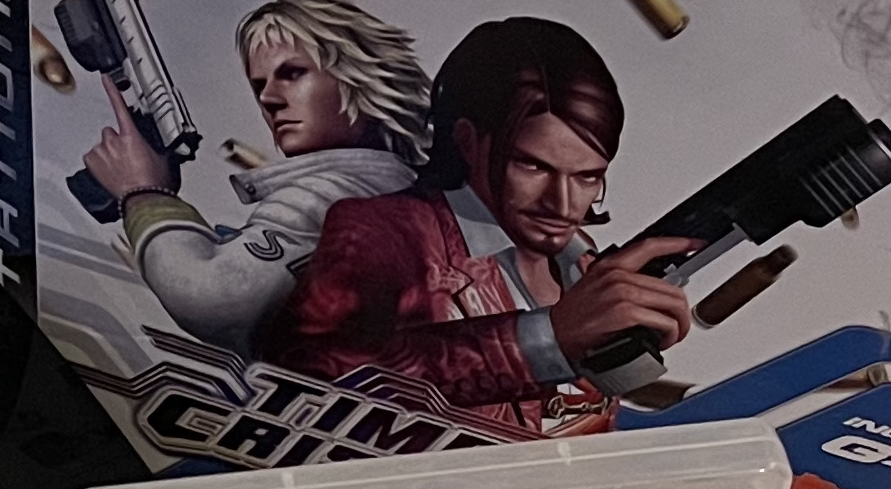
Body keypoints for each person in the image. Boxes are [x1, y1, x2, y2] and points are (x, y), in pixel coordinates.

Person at [259, 16, 698, 437]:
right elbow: (305, 386)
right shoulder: (383, 231)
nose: (563, 204)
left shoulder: (576, 257)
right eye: (533, 166)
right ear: (468, 141)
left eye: (587, 177)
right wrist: (546, 339)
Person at [77, 2, 430, 355]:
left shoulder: (333, 192)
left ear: (359, 76)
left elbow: (214, 297)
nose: (268, 98)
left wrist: (143, 195)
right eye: (259, 85)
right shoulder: (394, 188)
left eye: (293, 73)